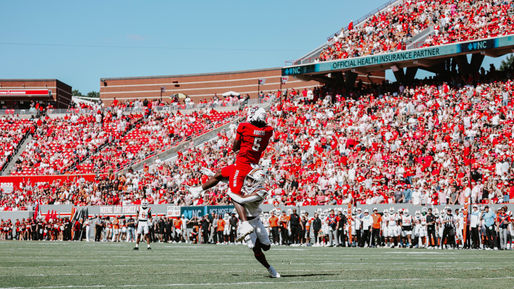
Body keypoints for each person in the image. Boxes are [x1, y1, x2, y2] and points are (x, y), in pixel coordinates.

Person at [188, 107, 273, 241]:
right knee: (219, 174)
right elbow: (262, 145)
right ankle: (198, 190)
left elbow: (235, 147)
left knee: (234, 194)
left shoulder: (244, 126)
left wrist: (237, 137)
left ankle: (245, 224)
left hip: (242, 165)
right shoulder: (268, 130)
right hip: (253, 164)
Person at [225, 167, 280, 278]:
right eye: (248, 179)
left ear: (259, 181)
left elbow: (242, 200)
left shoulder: (262, 191)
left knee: (266, 247)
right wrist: (214, 175)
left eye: (251, 180)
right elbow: (230, 180)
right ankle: (270, 268)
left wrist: (230, 192)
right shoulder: (247, 186)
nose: (248, 182)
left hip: (256, 220)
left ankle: (256, 241)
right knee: (254, 248)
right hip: (245, 222)